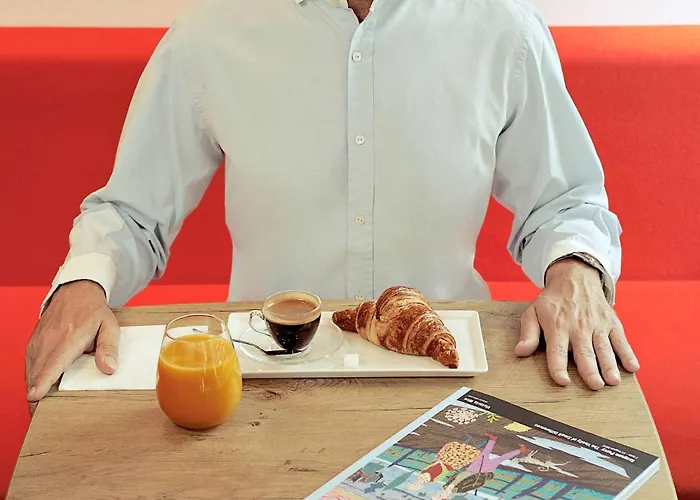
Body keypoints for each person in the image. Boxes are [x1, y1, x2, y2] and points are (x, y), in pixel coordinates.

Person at [24, 0, 640, 406]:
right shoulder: (210, 34)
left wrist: (575, 272)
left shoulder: (503, 29)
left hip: (448, 376)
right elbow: (132, 213)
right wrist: (84, 283)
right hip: (261, 383)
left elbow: (564, 201)